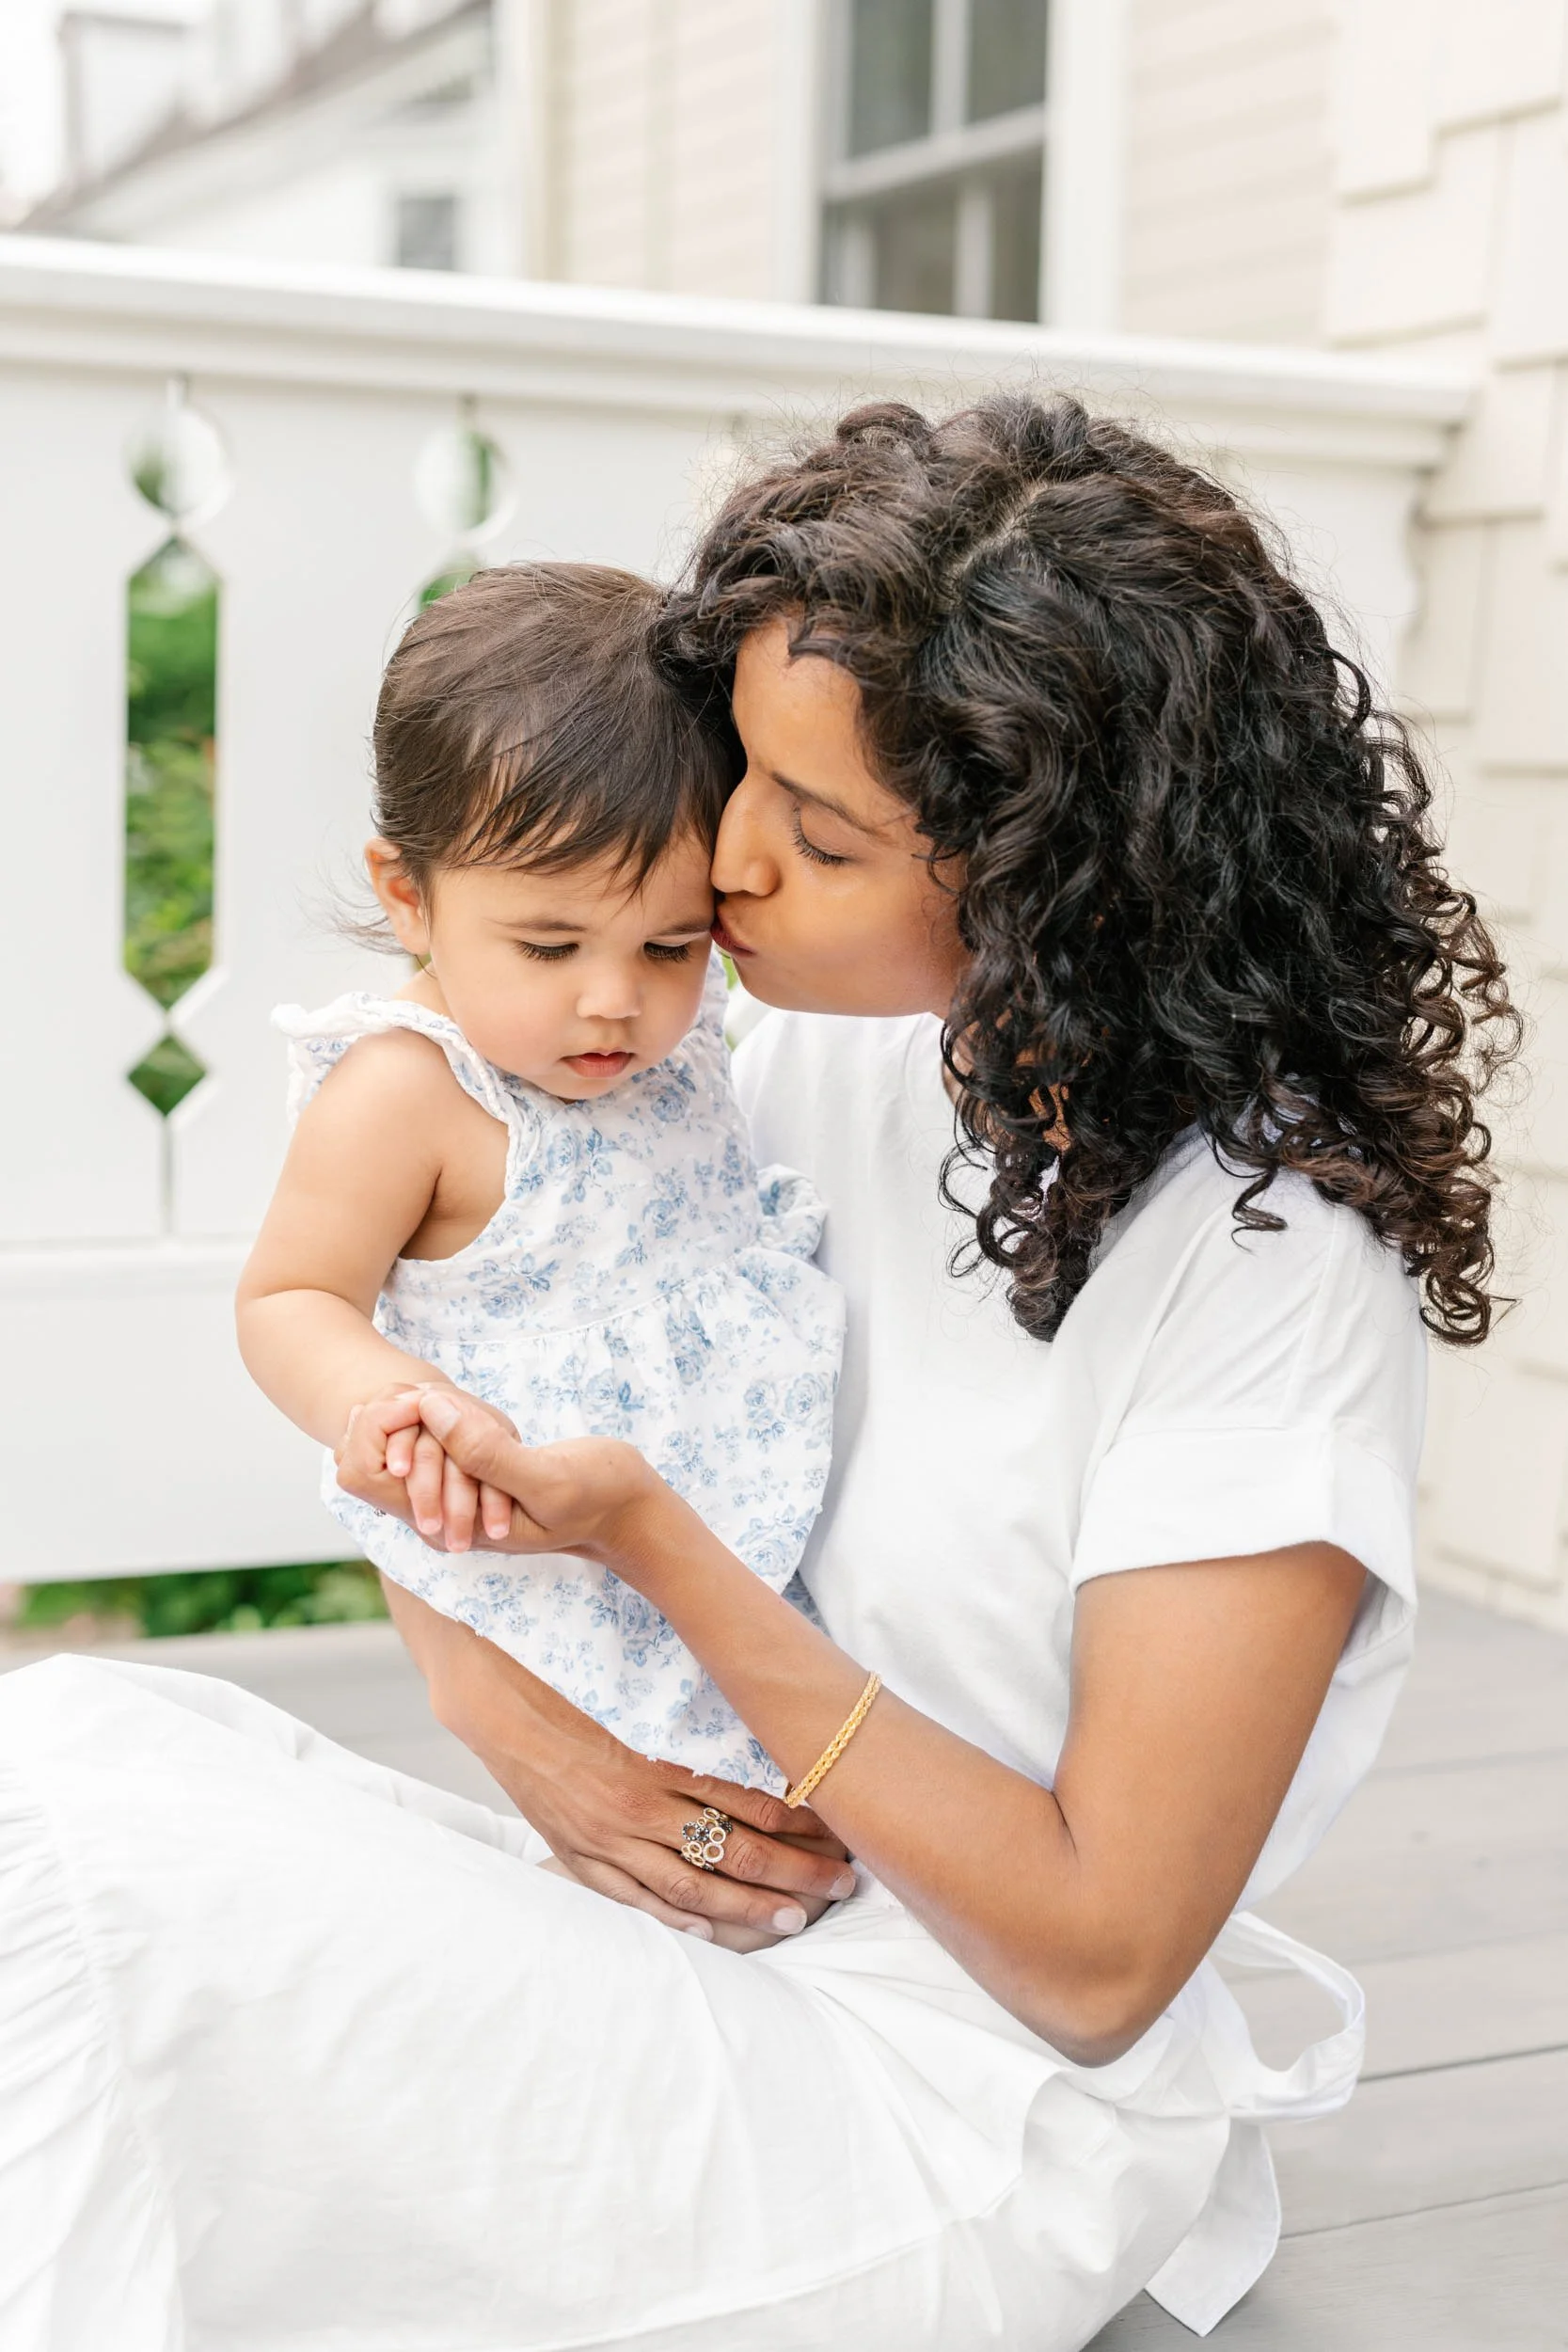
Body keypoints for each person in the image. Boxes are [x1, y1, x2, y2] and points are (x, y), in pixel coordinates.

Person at [0, 395, 1516, 2352]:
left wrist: (657, 1550)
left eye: (813, 829)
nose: (717, 865)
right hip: (683, 1925)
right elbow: (438, 1352)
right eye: (748, 779)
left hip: (947, 2092)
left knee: (83, 1928)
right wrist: (521, 1726)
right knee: (60, 1764)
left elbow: (1096, 1957)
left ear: (1054, 875)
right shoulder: (789, 1046)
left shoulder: (1263, 1269)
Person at [237, 563, 844, 1808]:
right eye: (549, 946)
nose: (614, 999)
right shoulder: (410, 1088)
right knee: (662, 1823)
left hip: (745, 1517)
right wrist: (395, 1406)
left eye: (671, 945)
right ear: (410, 896)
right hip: (563, 1580)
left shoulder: (677, 1036)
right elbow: (291, 1296)